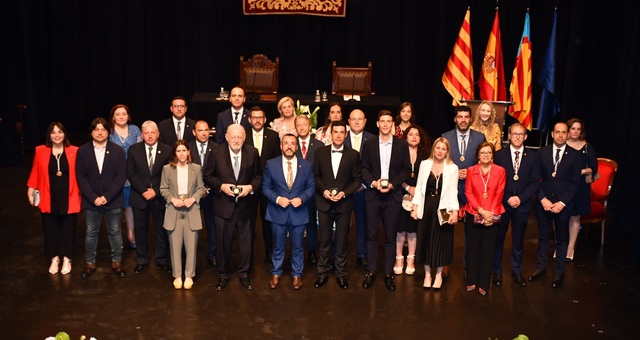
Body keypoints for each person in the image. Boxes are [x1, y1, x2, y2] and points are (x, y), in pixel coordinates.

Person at [203, 124, 262, 291]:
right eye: (233, 137)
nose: (236, 140)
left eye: (239, 137)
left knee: (246, 243)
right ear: (226, 137)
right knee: (223, 242)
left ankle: (244, 274)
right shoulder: (216, 153)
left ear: (244, 138)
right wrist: (221, 186)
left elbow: (258, 176)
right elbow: (207, 175)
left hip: (246, 206)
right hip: (223, 206)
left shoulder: (252, 152)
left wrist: (250, 188)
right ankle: (223, 274)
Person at [360, 110, 411, 291]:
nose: (385, 124)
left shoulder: (401, 145)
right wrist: (373, 183)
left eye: (389, 121)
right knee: (371, 235)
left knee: (391, 237)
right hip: (373, 196)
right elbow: (364, 168)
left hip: (392, 196)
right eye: (382, 121)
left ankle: (389, 273)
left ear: (393, 125)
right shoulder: (369, 144)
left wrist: (392, 184)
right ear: (377, 123)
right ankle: (371, 271)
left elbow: (406, 170)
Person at [529, 122, 582, 288]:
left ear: (567, 135)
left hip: (563, 205)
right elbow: (536, 178)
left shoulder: (575, 155)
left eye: (563, 132)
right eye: (557, 132)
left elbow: (575, 183)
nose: (560, 135)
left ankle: (559, 272)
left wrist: (562, 203)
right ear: (552, 134)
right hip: (544, 203)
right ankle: (541, 268)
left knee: (561, 239)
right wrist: (542, 199)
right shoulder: (541, 153)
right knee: (544, 237)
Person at [76, 117, 128, 279]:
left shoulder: (118, 151)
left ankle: (117, 262)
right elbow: (80, 176)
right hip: (91, 200)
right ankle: (90, 263)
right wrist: (93, 197)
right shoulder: (83, 151)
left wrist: (107, 196)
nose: (100, 132)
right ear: (91, 132)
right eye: (96, 129)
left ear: (108, 132)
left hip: (112, 200)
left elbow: (121, 176)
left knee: (114, 231)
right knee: (91, 232)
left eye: (103, 129)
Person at [262, 134, 316, 290]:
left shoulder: (306, 165)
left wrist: (302, 198)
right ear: (281, 146)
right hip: (278, 211)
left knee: (298, 246)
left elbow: (311, 188)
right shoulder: (271, 164)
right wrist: (278, 199)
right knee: (278, 246)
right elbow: (265, 187)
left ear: (297, 147)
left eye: (293, 143)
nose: (289, 146)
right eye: (286, 143)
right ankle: (276, 273)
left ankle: (297, 274)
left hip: (298, 211)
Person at [313, 121, 362, 289]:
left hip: (344, 204)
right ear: (331, 134)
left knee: (342, 241)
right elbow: (316, 176)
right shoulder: (320, 153)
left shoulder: (353, 155)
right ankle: (323, 273)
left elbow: (357, 179)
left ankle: (341, 274)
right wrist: (324, 191)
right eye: (336, 132)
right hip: (324, 203)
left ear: (346, 134)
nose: (339, 135)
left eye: (342, 132)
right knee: (325, 241)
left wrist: (344, 193)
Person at [27, 122, 81, 275]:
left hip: (68, 196)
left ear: (65, 134)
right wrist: (30, 190)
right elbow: (35, 172)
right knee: (50, 228)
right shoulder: (40, 151)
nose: (57, 135)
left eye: (60, 132)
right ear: (49, 136)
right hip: (48, 196)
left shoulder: (75, 151)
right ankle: (55, 258)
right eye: (53, 132)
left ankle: (67, 259)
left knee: (68, 229)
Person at [492, 123, 540, 287]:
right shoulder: (499, 155)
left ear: (526, 137)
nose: (518, 137)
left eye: (521, 134)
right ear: (509, 136)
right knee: (498, 239)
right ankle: (497, 271)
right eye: (515, 134)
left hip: (522, 205)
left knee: (518, 240)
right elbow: (495, 181)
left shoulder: (533, 157)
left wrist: (520, 198)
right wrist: (507, 198)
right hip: (502, 204)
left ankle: (516, 271)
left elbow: (535, 182)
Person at [442, 105, 486, 277]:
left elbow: (484, 161)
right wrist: (453, 171)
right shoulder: (445, 137)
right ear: (455, 119)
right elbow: (439, 162)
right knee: (445, 228)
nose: (463, 120)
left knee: (472, 231)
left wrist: (471, 172)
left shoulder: (480, 137)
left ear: (470, 119)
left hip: (472, 192)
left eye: (466, 117)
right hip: (449, 192)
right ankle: (444, 263)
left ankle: (469, 265)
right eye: (459, 117)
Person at [411, 137, 459, 290]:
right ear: (433, 149)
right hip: (427, 207)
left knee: (441, 240)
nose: (440, 151)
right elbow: (419, 188)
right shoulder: (425, 164)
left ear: (447, 152)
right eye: (438, 148)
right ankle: (427, 274)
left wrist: (455, 211)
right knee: (425, 239)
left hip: (444, 208)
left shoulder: (452, 168)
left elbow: (453, 191)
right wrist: (414, 207)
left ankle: (438, 275)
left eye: (443, 149)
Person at [127, 120, 173, 274]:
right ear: (142, 135)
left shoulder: (167, 150)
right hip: (140, 197)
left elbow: (169, 175)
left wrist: (155, 191)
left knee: (161, 230)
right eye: (146, 133)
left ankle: (161, 260)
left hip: (159, 197)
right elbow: (131, 174)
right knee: (140, 230)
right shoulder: (134, 150)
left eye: (153, 132)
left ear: (158, 134)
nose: (150, 135)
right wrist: (144, 190)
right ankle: (142, 260)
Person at [160, 140, 206, 289]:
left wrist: (193, 198)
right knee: (175, 246)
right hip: (174, 211)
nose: (181, 154)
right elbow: (163, 188)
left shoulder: (196, 169)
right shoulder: (167, 169)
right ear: (175, 153)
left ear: (188, 152)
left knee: (191, 246)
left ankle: (189, 275)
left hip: (191, 210)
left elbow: (201, 188)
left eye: (183, 150)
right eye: (178, 151)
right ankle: (177, 275)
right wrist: (172, 199)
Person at [463, 142, 506, 296]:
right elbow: (468, 192)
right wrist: (481, 211)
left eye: (489, 152)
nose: (486, 155)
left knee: (488, 250)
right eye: (483, 152)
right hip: (473, 213)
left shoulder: (500, 171)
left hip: (492, 214)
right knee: (472, 249)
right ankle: (471, 280)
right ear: (478, 156)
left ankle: (483, 283)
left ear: (493, 155)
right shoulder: (471, 170)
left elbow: (499, 193)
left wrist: (490, 214)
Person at [244, 106, 281, 263]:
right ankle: (248, 252)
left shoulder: (273, 136)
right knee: (248, 220)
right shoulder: (243, 136)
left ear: (265, 120)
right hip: (249, 185)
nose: (258, 120)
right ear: (249, 120)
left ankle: (269, 250)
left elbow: (277, 160)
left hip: (268, 185)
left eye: (260, 117)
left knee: (268, 220)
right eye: (254, 117)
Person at [394, 125, 430, 276]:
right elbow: (394, 174)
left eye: (417, 134)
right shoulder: (399, 153)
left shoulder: (426, 157)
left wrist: (417, 192)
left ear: (420, 138)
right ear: (405, 137)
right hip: (400, 194)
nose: (414, 137)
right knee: (400, 229)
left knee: (413, 229)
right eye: (411, 134)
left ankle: (411, 259)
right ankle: (398, 259)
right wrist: (407, 188)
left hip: (418, 197)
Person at [109, 104, 142, 249]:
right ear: (113, 117)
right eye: (118, 114)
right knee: (115, 208)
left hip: (132, 175)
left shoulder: (135, 129)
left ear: (128, 116)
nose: (121, 116)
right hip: (114, 176)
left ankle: (131, 234)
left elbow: (140, 151)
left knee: (130, 207)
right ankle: (116, 239)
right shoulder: (108, 132)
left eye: (124, 114)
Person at [566, 118, 598, 262]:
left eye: (578, 129)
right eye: (573, 128)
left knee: (575, 217)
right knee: (559, 217)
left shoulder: (587, 147)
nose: (576, 131)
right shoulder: (561, 145)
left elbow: (594, 168)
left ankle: (570, 248)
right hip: (563, 186)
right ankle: (561, 246)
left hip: (580, 187)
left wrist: (581, 171)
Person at [344, 109, 374, 268]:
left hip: (364, 189)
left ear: (365, 121)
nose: (356, 122)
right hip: (344, 190)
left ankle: (362, 254)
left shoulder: (372, 140)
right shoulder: (341, 137)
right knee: (341, 225)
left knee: (363, 224)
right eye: (353, 119)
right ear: (348, 121)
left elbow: (374, 167)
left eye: (360, 119)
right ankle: (339, 255)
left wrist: (363, 184)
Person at [189, 120, 219, 268]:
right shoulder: (186, 148)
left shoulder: (217, 148)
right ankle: (189, 255)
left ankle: (213, 254)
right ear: (194, 132)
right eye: (200, 130)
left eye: (206, 130)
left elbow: (220, 172)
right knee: (190, 227)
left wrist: (208, 188)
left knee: (212, 226)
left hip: (211, 193)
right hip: (191, 194)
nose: (204, 133)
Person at [294, 114, 323, 264]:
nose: (301, 127)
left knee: (312, 222)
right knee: (296, 224)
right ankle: (296, 252)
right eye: (298, 125)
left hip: (313, 192)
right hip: (295, 192)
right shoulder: (291, 144)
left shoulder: (319, 145)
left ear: (309, 127)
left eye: (304, 124)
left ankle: (312, 251)